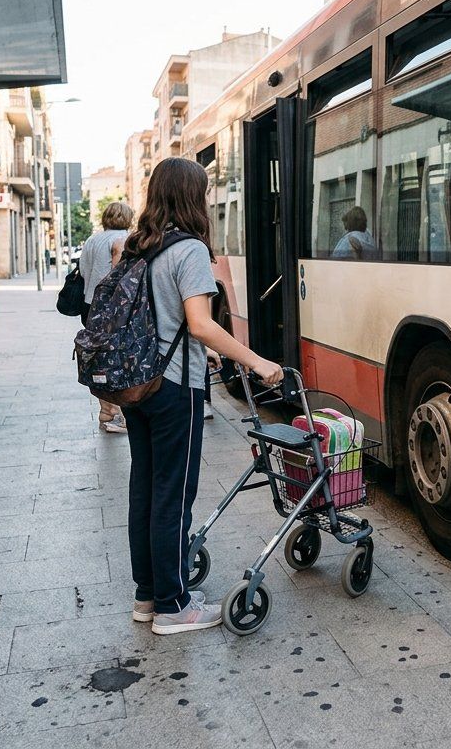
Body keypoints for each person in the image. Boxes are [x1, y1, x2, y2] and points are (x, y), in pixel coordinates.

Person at [120, 157, 282, 635]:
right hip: (173, 390)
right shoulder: (188, 249)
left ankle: (147, 596)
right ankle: (174, 606)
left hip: (138, 385)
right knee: (173, 493)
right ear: (193, 197)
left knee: (145, 489)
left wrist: (204, 353)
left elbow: (159, 319)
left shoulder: (137, 246)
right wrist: (257, 362)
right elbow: (200, 323)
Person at [79, 201, 135, 433]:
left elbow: (83, 271)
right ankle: (115, 415)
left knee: (97, 357)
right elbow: (120, 274)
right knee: (115, 358)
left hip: (89, 304)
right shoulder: (123, 239)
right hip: (111, 307)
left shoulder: (93, 239)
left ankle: (105, 412)